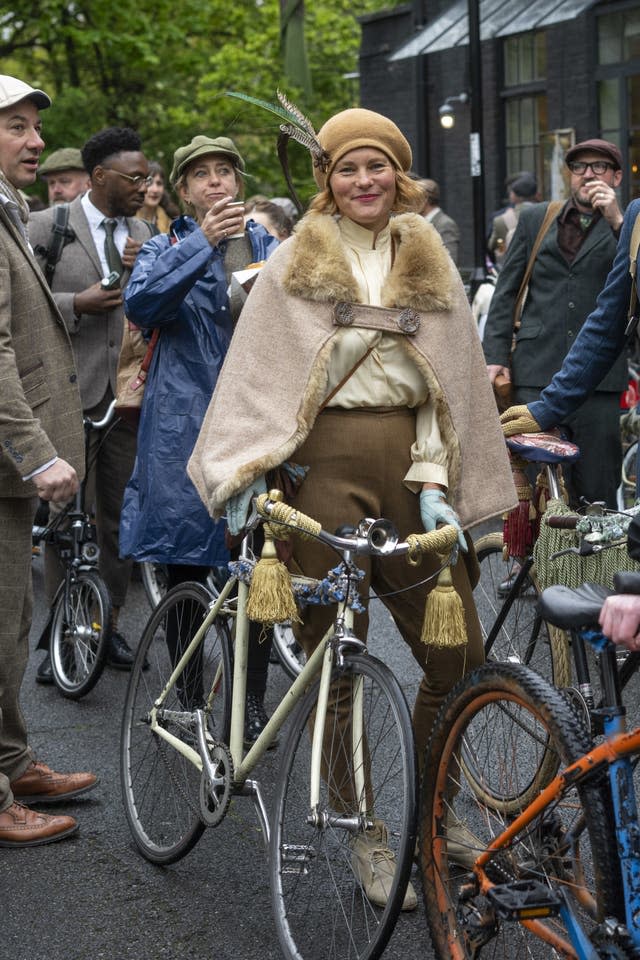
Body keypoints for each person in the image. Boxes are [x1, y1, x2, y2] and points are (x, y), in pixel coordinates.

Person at [187, 107, 516, 900]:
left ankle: (438, 812)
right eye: (346, 169)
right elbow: (260, 375)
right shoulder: (297, 257)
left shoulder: (427, 253)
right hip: (321, 469)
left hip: (414, 471)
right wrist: (254, 472)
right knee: (338, 658)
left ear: (398, 175)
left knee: (458, 652)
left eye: (377, 168)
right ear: (326, 181)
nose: (363, 182)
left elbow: (449, 387)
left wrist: (437, 479)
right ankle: (362, 827)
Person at [120, 135, 280, 745]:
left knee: (261, 566)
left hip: (253, 423)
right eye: (201, 175)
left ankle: (250, 703)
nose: (215, 183)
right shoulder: (165, 245)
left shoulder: (264, 242)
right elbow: (144, 304)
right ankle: (187, 700)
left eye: (225, 173)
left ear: (238, 183)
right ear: (183, 191)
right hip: (182, 426)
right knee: (188, 565)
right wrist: (203, 243)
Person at [0, 73, 97, 846]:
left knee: (13, 617)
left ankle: (13, 761)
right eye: (16, 127)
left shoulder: (11, 210)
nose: (35, 141)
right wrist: (36, 455)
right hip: (8, 459)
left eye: (34, 126)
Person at [28, 127, 156, 680]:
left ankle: (107, 625)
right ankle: (60, 633)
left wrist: (144, 265)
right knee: (64, 520)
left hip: (125, 400)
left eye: (147, 177)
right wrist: (74, 302)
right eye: (135, 177)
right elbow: (21, 307)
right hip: (64, 394)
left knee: (119, 523)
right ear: (100, 177)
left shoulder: (146, 230)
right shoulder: (46, 227)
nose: (144, 186)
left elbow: (155, 308)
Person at [483, 139, 628, 509]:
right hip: (536, 371)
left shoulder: (628, 225)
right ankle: (533, 567)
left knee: (597, 489)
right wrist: (495, 355)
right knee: (534, 492)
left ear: (616, 177)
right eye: (580, 167)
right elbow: (506, 290)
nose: (588, 174)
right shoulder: (536, 218)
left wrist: (617, 222)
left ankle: (595, 567)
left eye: (599, 167)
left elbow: (633, 280)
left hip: (600, 381)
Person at [488, 172, 537, 268]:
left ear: (514, 195)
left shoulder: (500, 220)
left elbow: (492, 245)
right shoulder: (548, 213)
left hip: (514, 270)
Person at [417, 177, 460, 264]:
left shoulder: (445, 224)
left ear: (424, 199)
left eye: (414, 197)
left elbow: (449, 263)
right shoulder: (418, 223)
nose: (409, 202)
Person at [135, 159, 176, 233]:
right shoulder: (126, 220)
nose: (155, 190)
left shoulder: (173, 226)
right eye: (149, 183)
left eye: (159, 183)